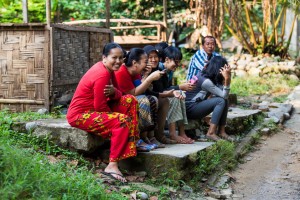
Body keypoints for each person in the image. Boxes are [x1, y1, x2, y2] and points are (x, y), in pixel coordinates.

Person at [66, 43, 138, 183]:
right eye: (114, 57)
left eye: (121, 58)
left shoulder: (110, 70)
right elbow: (99, 106)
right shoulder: (102, 74)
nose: (118, 61)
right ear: (104, 58)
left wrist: (113, 92)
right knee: (122, 120)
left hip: (94, 110)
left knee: (130, 100)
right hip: (80, 115)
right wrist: (114, 119)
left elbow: (120, 93)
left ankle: (129, 144)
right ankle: (112, 165)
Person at [114, 48, 165, 150]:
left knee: (153, 99)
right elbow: (134, 93)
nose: (147, 65)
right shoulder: (121, 72)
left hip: (130, 101)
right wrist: (150, 78)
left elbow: (140, 87)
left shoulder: (135, 72)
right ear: (134, 63)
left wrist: (146, 75)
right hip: (119, 105)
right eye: (145, 62)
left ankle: (149, 137)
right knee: (143, 100)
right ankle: (140, 138)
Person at [143, 45, 195, 144]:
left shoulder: (165, 71)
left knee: (178, 95)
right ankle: (172, 133)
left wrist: (176, 90)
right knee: (174, 97)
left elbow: (164, 88)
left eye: (155, 57)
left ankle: (181, 132)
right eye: (176, 61)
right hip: (152, 98)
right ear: (166, 59)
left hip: (157, 96)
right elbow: (160, 90)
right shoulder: (158, 70)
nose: (178, 64)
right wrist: (178, 88)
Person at [185, 56, 234, 141]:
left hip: (193, 106)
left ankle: (222, 132)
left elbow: (223, 93)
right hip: (190, 108)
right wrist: (227, 79)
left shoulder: (206, 75)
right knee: (221, 101)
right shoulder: (206, 81)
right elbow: (224, 95)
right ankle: (211, 133)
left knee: (224, 100)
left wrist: (226, 78)